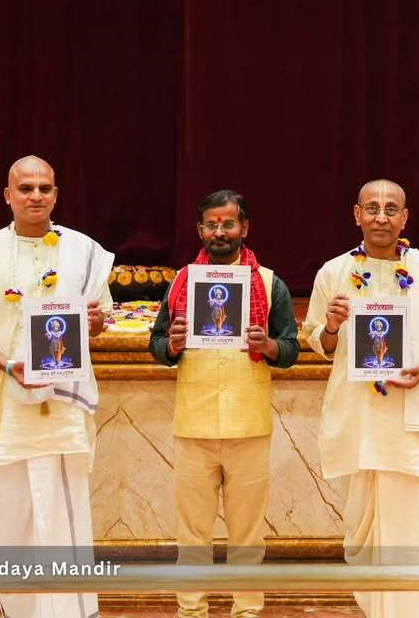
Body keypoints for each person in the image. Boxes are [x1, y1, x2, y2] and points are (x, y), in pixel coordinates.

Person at [0, 156, 113, 618]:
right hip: (9, 409)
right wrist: (8, 365)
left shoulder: (83, 251)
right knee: (11, 521)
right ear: (8, 195)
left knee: (67, 519)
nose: (35, 195)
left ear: (56, 195)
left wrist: (94, 323)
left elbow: (99, 322)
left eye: (44, 188)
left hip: (64, 410)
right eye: (25, 188)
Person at [302, 179, 419, 618]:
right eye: (372, 208)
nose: (381, 217)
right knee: (361, 532)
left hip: (409, 420)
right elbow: (320, 341)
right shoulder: (333, 273)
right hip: (358, 419)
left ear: (405, 217)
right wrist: (332, 326)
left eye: (391, 209)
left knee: (407, 532)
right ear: (356, 214)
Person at [149, 189, 299, 618]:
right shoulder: (182, 282)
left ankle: (247, 610)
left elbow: (291, 349)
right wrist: (172, 345)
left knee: (247, 535)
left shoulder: (270, 284)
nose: (220, 232)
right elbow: (156, 344)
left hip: (248, 426)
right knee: (191, 534)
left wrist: (268, 346)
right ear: (199, 230)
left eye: (228, 224)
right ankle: (191, 610)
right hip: (193, 425)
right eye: (211, 225)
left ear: (244, 228)